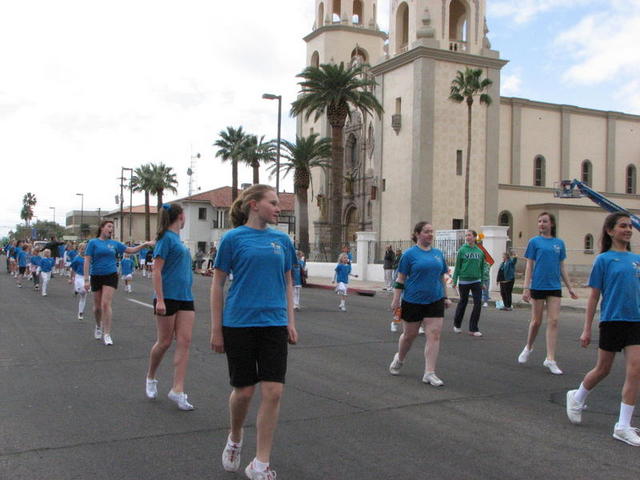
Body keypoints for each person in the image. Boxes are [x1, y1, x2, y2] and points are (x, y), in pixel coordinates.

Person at [211, 184, 297, 480]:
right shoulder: (232, 239)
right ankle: (235, 437)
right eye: (273, 203)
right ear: (253, 205)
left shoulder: (282, 240)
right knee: (244, 391)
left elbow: (288, 282)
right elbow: (217, 284)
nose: (278, 207)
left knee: (273, 390)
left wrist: (291, 321)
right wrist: (216, 329)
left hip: (273, 322)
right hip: (239, 323)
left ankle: (260, 463)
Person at [565, 213, 640, 446]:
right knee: (603, 369)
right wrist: (587, 329)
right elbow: (594, 297)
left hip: (635, 321)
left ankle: (623, 426)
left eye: (630, 226)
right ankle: (577, 397)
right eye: (622, 226)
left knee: (636, 370)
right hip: (611, 321)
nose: (627, 229)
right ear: (610, 231)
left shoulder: (637, 259)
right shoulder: (604, 260)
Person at [145, 203, 196, 411]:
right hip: (167, 297)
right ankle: (151, 376)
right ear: (181, 216)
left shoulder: (178, 240)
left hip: (185, 297)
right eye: (185, 216)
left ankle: (178, 389)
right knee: (164, 342)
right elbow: (157, 271)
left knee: (185, 341)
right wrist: (160, 299)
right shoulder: (165, 238)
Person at [389, 221, 452, 386]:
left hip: (435, 299)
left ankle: (429, 373)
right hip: (413, 300)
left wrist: (445, 296)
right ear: (417, 234)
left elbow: (441, 277)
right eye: (426, 231)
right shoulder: (409, 255)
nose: (430, 234)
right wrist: (396, 299)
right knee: (410, 336)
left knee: (434, 334)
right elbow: (401, 278)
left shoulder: (438, 254)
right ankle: (400, 358)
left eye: (432, 231)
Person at [518, 212, 578, 374]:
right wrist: (526, 288)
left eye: (545, 221)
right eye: (539, 221)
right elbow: (529, 266)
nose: (541, 224)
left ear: (551, 224)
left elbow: (562, 267)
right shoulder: (534, 242)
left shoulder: (559, 243)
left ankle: (550, 358)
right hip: (538, 285)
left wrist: (570, 287)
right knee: (536, 321)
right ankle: (529, 347)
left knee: (554, 321)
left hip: (554, 286)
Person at [84, 220, 154, 345]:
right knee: (97, 308)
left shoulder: (115, 243)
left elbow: (131, 250)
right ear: (102, 228)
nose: (111, 229)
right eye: (109, 226)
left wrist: (145, 244)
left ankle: (107, 333)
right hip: (96, 275)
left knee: (106, 304)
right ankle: (98, 326)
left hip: (110, 275)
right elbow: (87, 261)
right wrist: (85, 279)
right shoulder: (93, 243)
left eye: (112, 227)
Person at [451, 230, 489, 336]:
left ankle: (473, 328)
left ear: (474, 237)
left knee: (478, 304)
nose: (467, 237)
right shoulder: (462, 250)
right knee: (463, 302)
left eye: (469, 235)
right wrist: (454, 281)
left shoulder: (480, 252)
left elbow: (482, 268)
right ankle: (457, 324)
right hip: (463, 281)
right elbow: (457, 266)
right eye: (466, 235)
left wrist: (482, 282)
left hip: (476, 281)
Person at [70, 243, 87, 320]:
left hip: (87, 277)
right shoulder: (76, 258)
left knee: (84, 295)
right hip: (79, 277)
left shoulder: (89, 258)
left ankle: (80, 312)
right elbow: (73, 269)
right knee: (82, 290)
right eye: (82, 248)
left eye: (85, 248)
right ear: (79, 249)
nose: (83, 250)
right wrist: (71, 278)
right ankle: (76, 290)